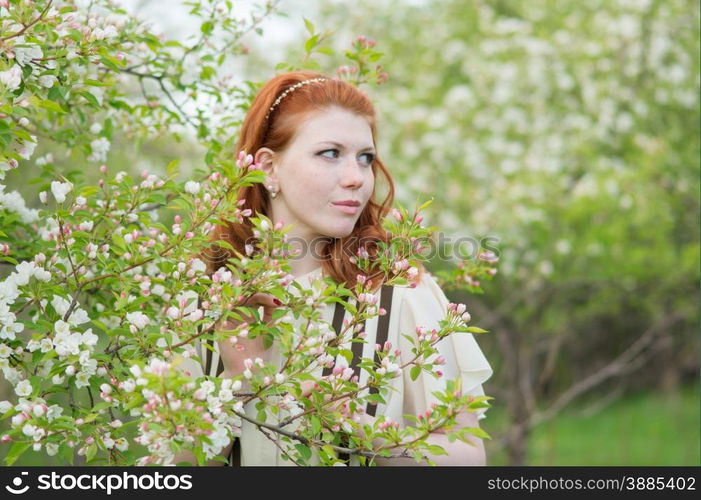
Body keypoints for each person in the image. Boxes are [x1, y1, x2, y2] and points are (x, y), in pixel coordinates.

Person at [177, 70, 493, 466]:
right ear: (268, 167)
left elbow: (469, 459)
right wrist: (238, 381)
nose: (356, 178)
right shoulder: (206, 296)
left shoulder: (400, 291)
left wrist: (361, 428)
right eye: (330, 154)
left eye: (365, 158)